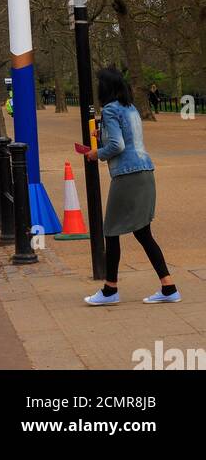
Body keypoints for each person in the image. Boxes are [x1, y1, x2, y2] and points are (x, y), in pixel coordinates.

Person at [82, 67, 179, 307]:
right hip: (145, 171)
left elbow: (117, 146)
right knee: (143, 232)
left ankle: (109, 290)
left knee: (111, 230)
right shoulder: (131, 108)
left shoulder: (111, 109)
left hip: (128, 176)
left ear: (105, 87)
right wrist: (103, 133)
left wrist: (96, 153)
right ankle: (168, 287)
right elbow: (127, 139)